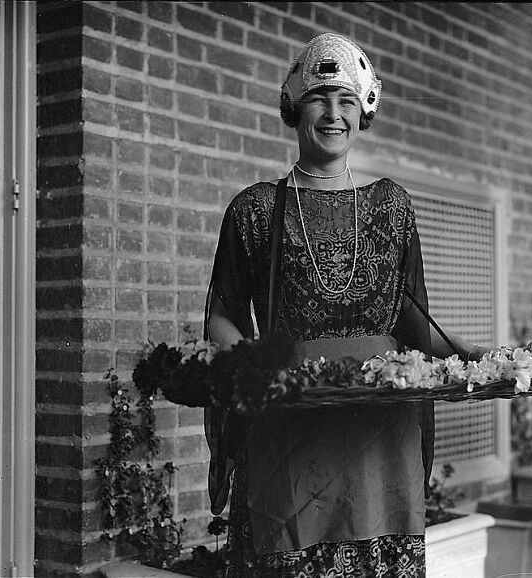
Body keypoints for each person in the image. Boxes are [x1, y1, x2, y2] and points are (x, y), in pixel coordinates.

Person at [204, 33, 486, 577]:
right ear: (294, 107)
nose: (333, 114)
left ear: (364, 112)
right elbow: (224, 313)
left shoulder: (392, 205)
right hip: (290, 420)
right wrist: (259, 370)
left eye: (347, 101)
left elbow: (408, 313)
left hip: (379, 429)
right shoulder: (256, 209)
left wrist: (465, 352)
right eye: (318, 98)